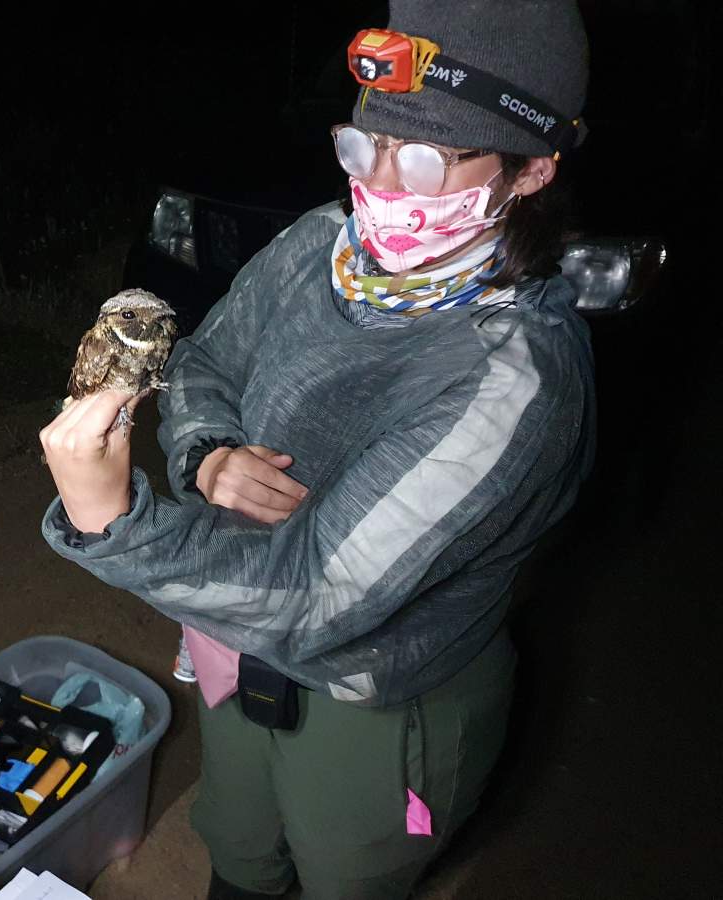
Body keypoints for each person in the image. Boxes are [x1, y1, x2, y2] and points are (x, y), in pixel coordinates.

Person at [39, 1, 594, 897]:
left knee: (348, 872)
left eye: (426, 162)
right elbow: (208, 359)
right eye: (364, 146)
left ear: (531, 173)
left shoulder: (515, 378)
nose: (381, 184)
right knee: (240, 847)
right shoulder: (318, 246)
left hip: (377, 700)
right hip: (233, 631)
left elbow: (320, 596)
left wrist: (114, 522)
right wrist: (207, 453)